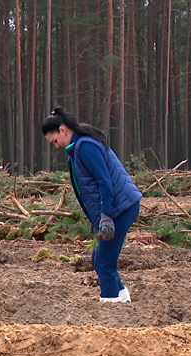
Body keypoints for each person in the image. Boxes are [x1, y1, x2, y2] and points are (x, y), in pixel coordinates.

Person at [42, 107, 141, 303]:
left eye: (55, 141)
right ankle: (121, 295)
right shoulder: (78, 147)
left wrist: (105, 216)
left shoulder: (85, 147)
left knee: (104, 261)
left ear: (62, 130)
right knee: (98, 259)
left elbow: (105, 182)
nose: (56, 146)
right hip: (113, 210)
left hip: (120, 209)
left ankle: (110, 303)